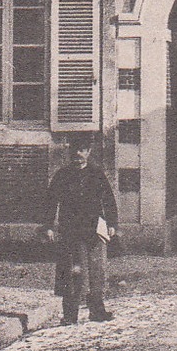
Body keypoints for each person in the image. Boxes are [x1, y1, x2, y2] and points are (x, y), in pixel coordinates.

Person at [45, 138, 118, 323]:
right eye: (75, 150)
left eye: (83, 150)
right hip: (70, 231)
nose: (78, 154)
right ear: (70, 152)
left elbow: (108, 200)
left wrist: (112, 224)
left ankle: (97, 311)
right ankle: (70, 315)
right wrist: (48, 226)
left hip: (94, 230)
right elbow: (51, 202)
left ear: (89, 152)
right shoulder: (62, 175)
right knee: (72, 272)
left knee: (96, 272)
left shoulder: (97, 174)